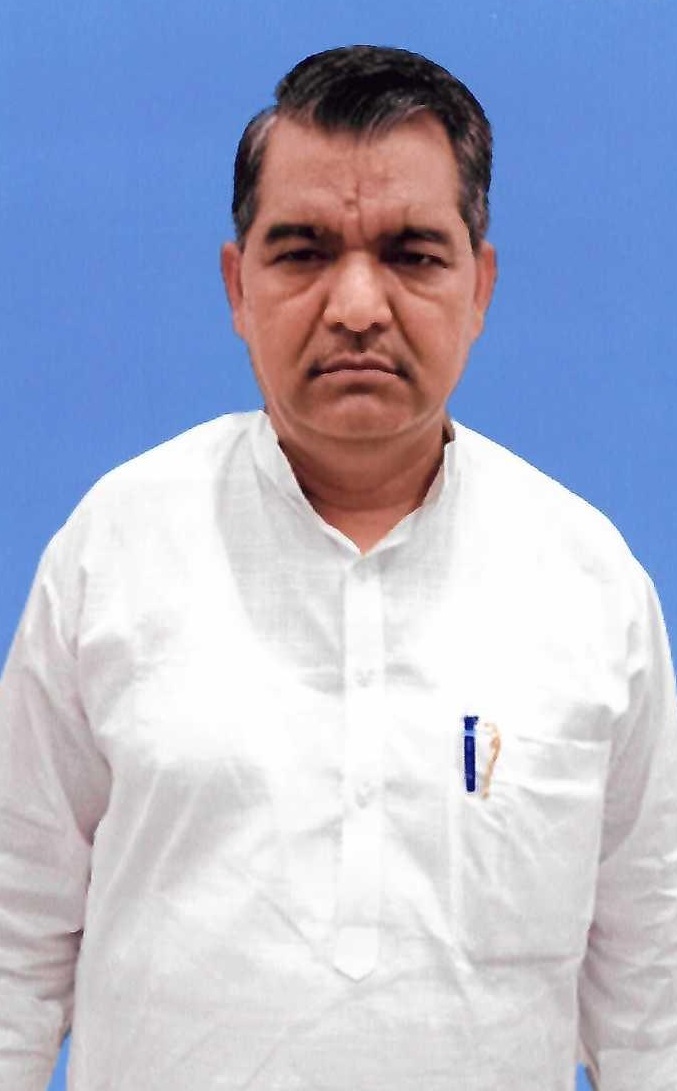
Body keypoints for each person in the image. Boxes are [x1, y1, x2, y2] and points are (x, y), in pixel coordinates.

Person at [0, 44, 675, 1091]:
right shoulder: (116, 549)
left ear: (480, 285)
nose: (357, 305)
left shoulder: (588, 585)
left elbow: (651, 992)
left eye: (412, 254)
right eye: (303, 252)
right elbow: (14, 933)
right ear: (237, 285)